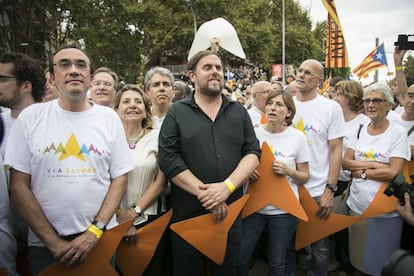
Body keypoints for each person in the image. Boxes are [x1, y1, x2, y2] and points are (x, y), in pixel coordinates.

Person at [4, 44, 133, 275]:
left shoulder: (108, 118)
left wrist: (94, 232)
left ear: (90, 78)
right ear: (51, 78)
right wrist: (52, 242)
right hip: (45, 249)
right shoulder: (30, 118)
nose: (73, 70)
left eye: (80, 65)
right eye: (64, 65)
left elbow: (119, 178)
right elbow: (18, 186)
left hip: (100, 242)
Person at [158, 50, 261, 275]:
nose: (215, 72)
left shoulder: (238, 111)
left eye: (218, 68)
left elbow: (253, 152)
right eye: (207, 67)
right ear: (192, 76)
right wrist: (208, 195)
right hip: (188, 218)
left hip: (229, 217)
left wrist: (227, 187)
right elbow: (168, 158)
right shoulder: (177, 112)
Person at [237, 90, 310, 276]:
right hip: (252, 208)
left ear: (288, 112)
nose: (272, 108)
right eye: (270, 103)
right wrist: (248, 172)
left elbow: (305, 175)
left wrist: (289, 171)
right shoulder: (253, 133)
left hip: (284, 213)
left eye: (279, 105)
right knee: (241, 257)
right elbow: (239, 165)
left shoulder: (298, 138)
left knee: (277, 262)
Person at [342, 82, 410, 276]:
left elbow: (394, 172)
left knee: (382, 263)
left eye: (376, 100)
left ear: (389, 105)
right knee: (358, 259)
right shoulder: (359, 129)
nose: (370, 104)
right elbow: (346, 163)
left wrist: (362, 172)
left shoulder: (397, 133)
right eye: (367, 100)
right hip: (356, 205)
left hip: (385, 210)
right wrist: (377, 165)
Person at [292, 59, 345, 276]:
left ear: (319, 81)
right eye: (300, 70)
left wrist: (329, 189)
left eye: (308, 73)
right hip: (286, 189)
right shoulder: (286, 103)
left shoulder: (331, 108)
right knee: (287, 244)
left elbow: (336, 150)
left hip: (316, 190)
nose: (301, 75)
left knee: (320, 248)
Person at [113, 84, 168, 275]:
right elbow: (101, 183)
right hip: (113, 220)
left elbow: (161, 181)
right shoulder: (107, 139)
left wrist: (134, 212)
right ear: (116, 110)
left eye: (138, 102)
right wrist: (122, 219)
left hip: (150, 219)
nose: (132, 105)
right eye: (126, 101)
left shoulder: (157, 137)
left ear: (146, 111)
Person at [0, 52, 45, 276]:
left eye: (3, 79)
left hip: (43, 240)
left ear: (26, 86)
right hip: (6, 241)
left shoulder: (49, 123)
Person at [331, 80, 370, 274]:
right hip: (332, 179)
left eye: (339, 94)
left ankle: (347, 263)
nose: (334, 97)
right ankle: (338, 259)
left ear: (350, 98)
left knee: (345, 226)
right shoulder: (334, 118)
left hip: (352, 181)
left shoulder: (363, 123)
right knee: (332, 223)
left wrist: (353, 180)